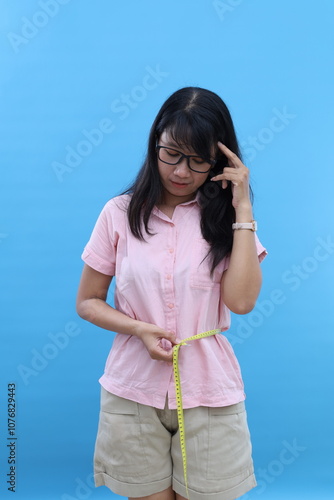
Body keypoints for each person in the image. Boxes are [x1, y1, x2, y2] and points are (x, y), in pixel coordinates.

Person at [76, 86, 267, 500]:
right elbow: (87, 302)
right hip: (132, 392)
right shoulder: (117, 214)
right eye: (172, 154)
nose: (181, 171)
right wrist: (139, 329)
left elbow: (242, 302)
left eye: (199, 160)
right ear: (155, 142)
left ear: (221, 160)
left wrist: (244, 209)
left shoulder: (227, 222)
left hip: (208, 392)